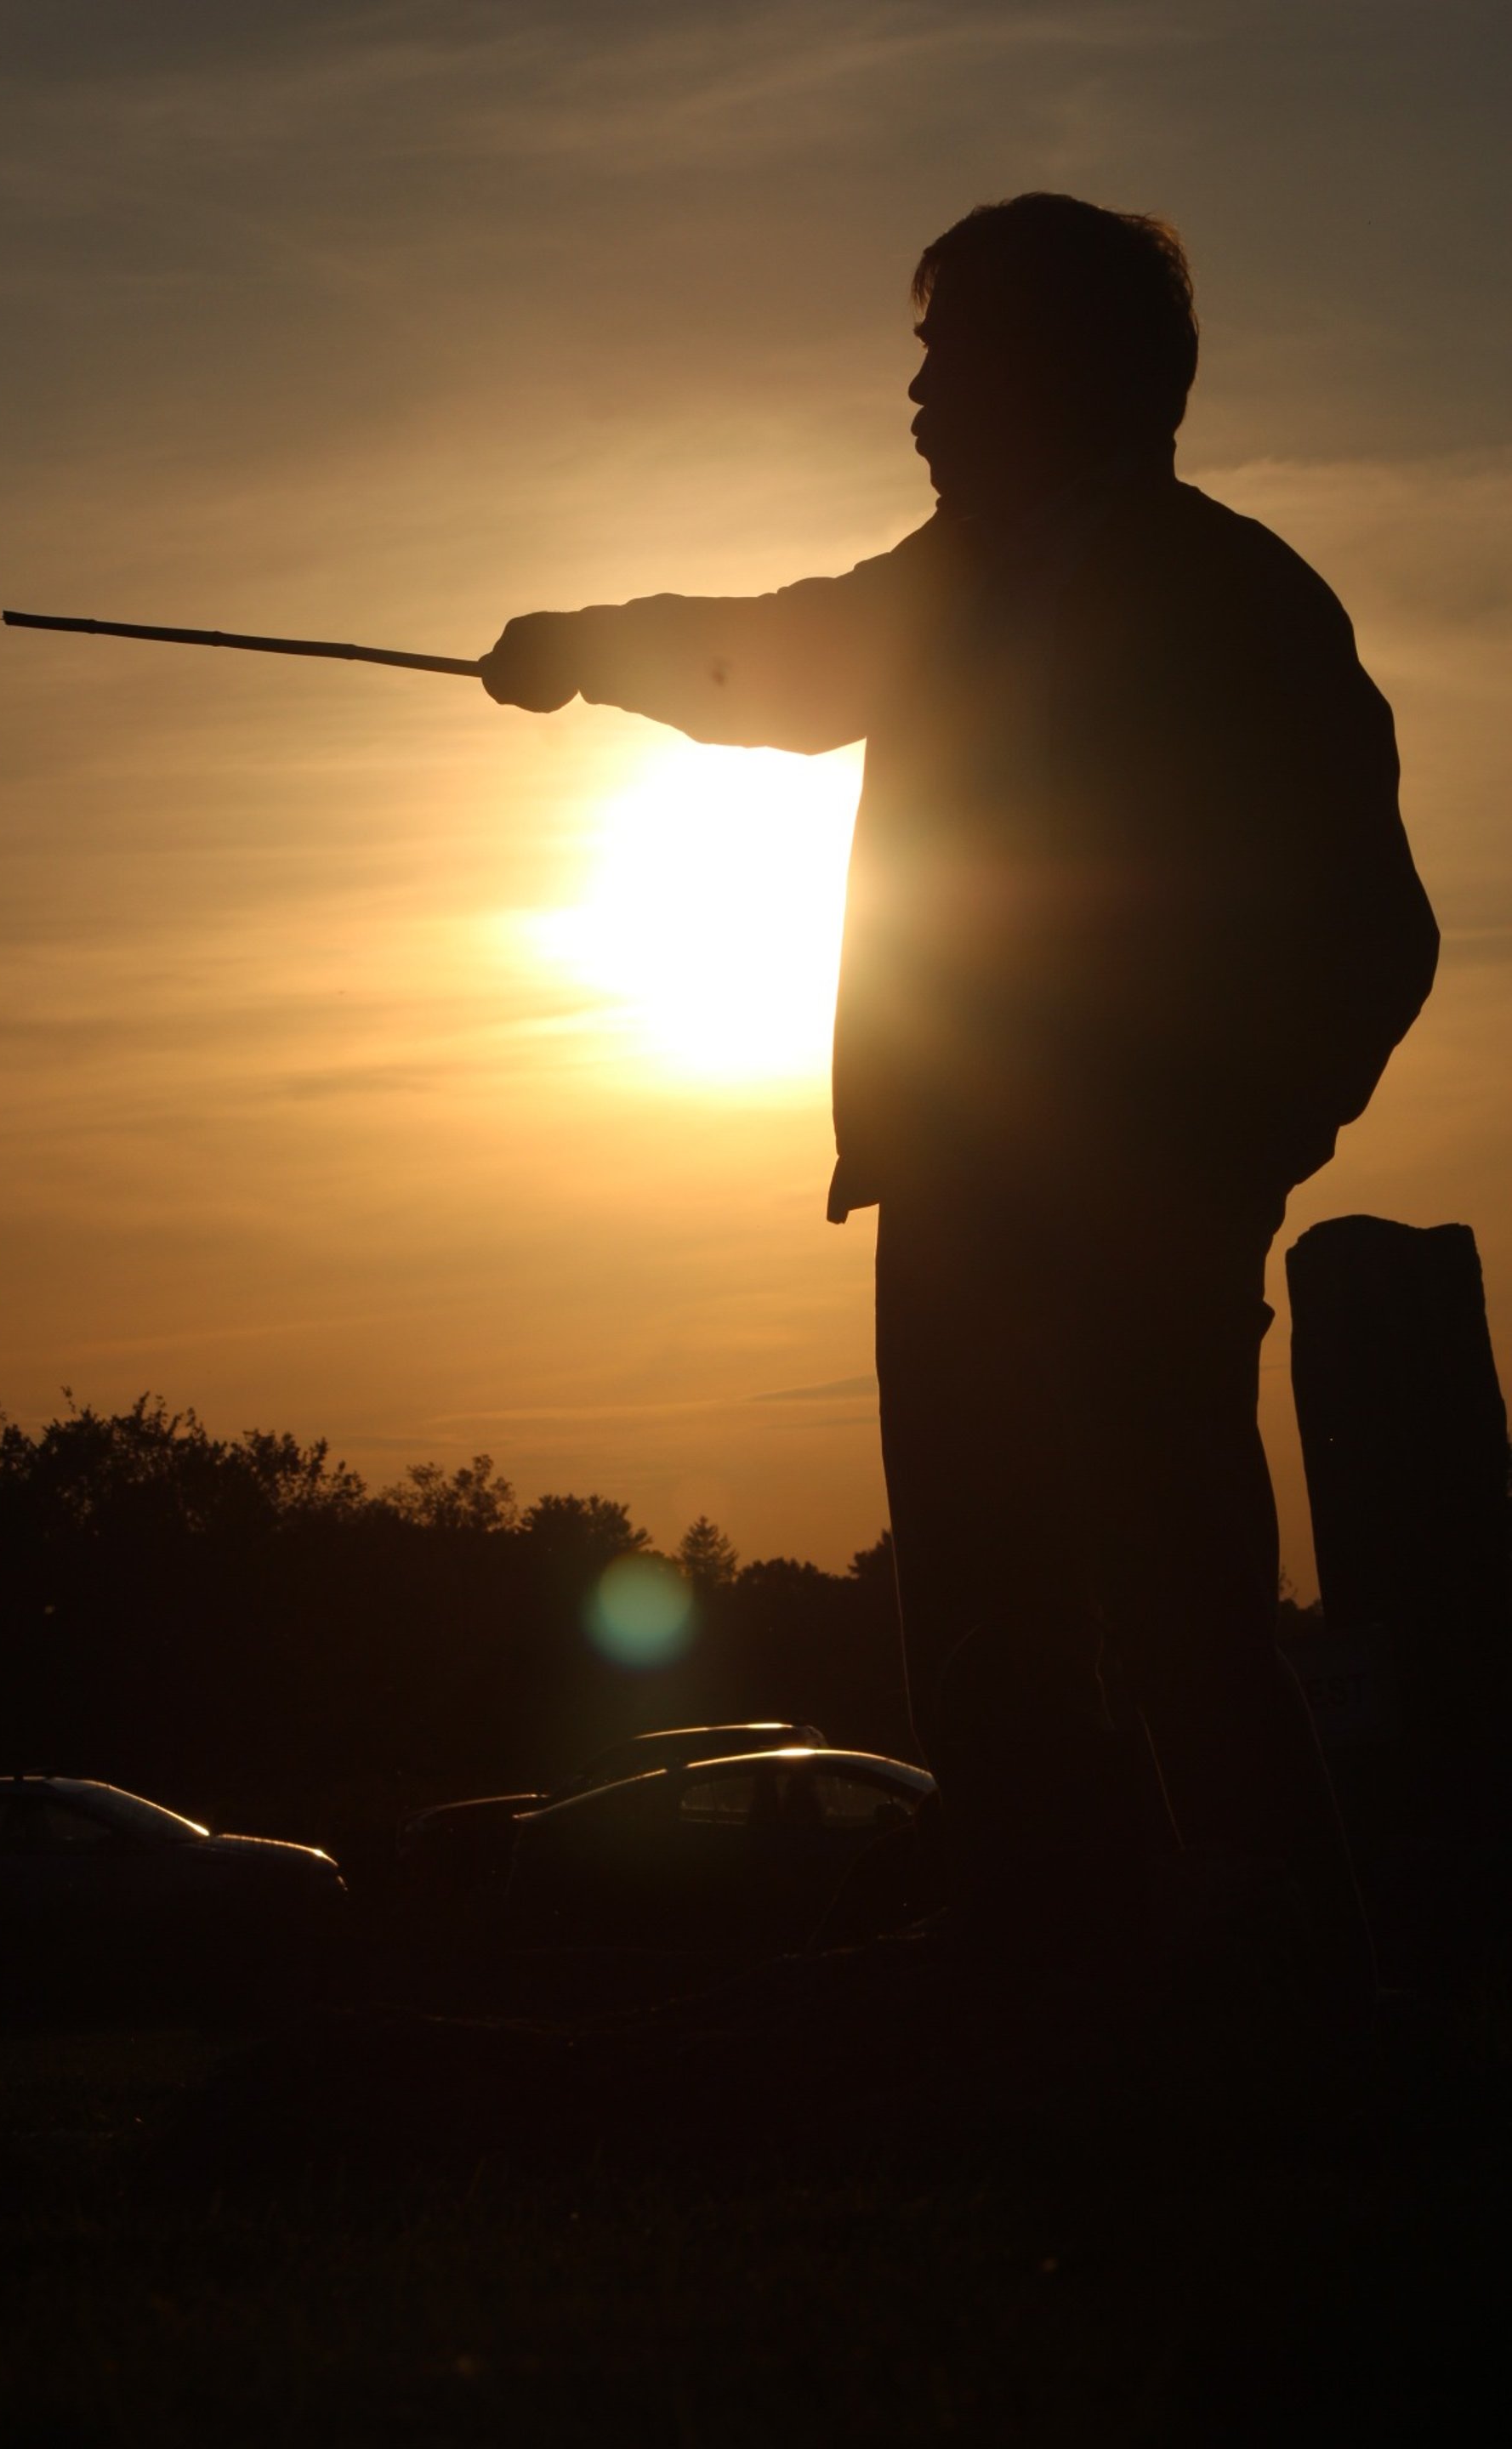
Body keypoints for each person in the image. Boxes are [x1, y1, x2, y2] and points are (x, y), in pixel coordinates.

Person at [480, 194, 1438, 2017]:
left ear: (1062, 367)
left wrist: (1233, 1141)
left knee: (1170, 1579)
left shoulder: (1228, 601)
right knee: (991, 1587)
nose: (914, 389)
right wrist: (591, 649)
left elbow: (1366, 931)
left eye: (950, 348)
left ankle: (1284, 1958)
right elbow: (788, 649)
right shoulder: (959, 592)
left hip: (1139, 1184)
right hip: (957, 1180)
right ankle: (1045, 1941)